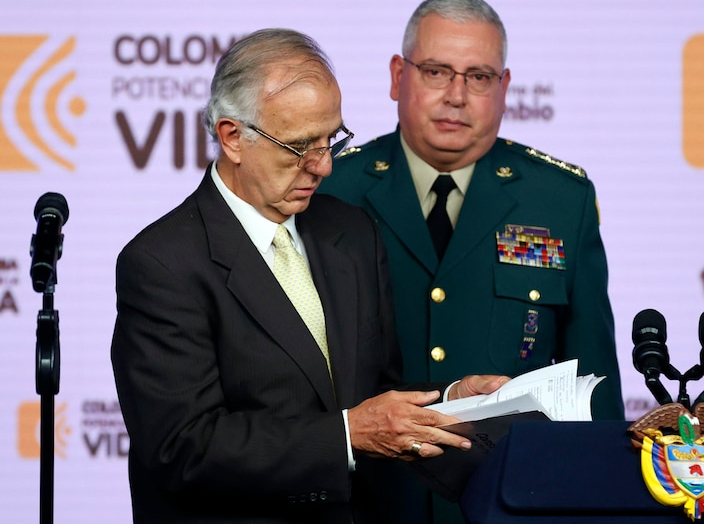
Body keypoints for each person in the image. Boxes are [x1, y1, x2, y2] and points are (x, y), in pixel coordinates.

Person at [110, 28, 508, 524]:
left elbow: (373, 392)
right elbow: (182, 447)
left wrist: (450, 401)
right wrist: (346, 436)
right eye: (300, 146)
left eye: (331, 139)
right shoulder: (162, 263)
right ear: (233, 137)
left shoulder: (351, 231)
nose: (322, 166)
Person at [317, 0, 625, 523]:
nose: (456, 96)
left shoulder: (559, 198)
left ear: (504, 88)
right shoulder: (330, 189)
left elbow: (593, 385)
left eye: (479, 77)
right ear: (397, 76)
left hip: (508, 504)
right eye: (436, 71)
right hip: (365, 503)